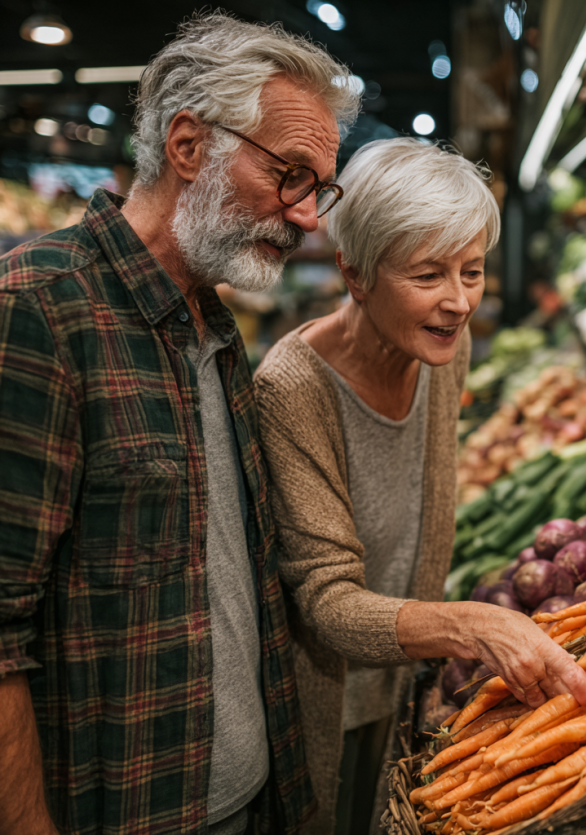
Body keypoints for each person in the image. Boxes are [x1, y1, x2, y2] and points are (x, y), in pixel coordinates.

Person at [0, 13, 361, 835]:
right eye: (290, 175)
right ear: (189, 146)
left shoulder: (214, 328)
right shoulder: (38, 311)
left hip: (246, 802)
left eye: (319, 187)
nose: (308, 216)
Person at [253, 138, 586, 835]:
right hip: (324, 699)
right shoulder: (289, 388)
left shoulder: (445, 345)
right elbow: (325, 600)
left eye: (471, 271)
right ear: (354, 273)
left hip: (405, 683)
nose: (459, 301)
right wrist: (465, 623)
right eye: (428, 274)